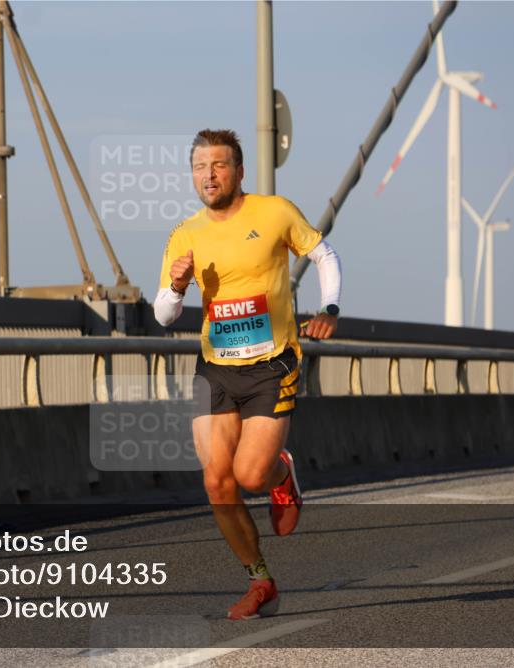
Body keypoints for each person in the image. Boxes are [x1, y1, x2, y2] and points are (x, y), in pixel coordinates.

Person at [153, 129, 342, 620]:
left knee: (249, 475)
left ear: (238, 171)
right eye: (199, 167)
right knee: (217, 483)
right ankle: (261, 581)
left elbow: (323, 254)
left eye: (218, 165)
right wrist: (176, 286)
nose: (208, 175)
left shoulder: (274, 212)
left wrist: (330, 307)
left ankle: (281, 473)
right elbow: (163, 316)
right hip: (216, 370)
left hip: (271, 364)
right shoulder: (185, 233)